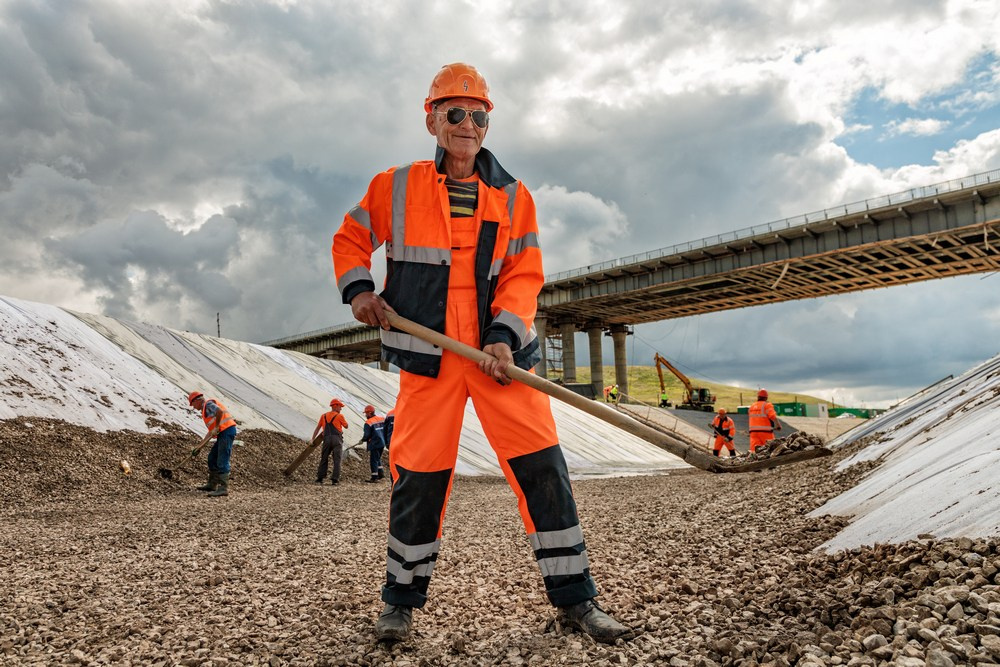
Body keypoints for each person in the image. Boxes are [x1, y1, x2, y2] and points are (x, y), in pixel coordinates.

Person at [332, 62, 631, 645]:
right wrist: (359, 289)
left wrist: (503, 336)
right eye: (454, 113)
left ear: (488, 123)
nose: (467, 124)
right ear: (432, 119)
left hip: (501, 359)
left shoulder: (514, 196)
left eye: (478, 115)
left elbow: (525, 274)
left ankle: (577, 601)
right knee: (417, 477)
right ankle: (399, 603)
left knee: (544, 470)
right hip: (430, 356)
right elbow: (350, 238)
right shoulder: (392, 186)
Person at [187, 391, 238, 497]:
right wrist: (199, 447)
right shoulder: (206, 410)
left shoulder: (208, 405)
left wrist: (217, 426)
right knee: (212, 457)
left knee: (222, 459)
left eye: (193, 404)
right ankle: (212, 484)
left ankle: (223, 488)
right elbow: (211, 432)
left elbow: (219, 412)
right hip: (223, 432)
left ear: (197, 400)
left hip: (227, 431)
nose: (193, 407)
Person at [312, 398, 349, 485]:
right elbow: (346, 426)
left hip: (327, 440)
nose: (341, 409)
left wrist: (312, 439)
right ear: (335, 406)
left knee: (324, 458)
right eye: (340, 407)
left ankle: (320, 478)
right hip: (337, 440)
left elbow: (317, 428)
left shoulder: (323, 416)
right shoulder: (340, 416)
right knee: (337, 459)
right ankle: (335, 480)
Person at [748, 389, 782, 454]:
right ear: (766, 397)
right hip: (766, 432)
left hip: (753, 432)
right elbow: (772, 416)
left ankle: (754, 462)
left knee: (754, 451)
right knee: (771, 449)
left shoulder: (752, 406)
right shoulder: (767, 405)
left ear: (758, 397)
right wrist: (778, 425)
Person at [360, 404, 387, 483]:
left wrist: (363, 439)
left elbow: (367, 435)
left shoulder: (368, 422)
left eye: (366, 413)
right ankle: (381, 473)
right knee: (378, 458)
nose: (365, 415)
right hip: (382, 442)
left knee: (374, 460)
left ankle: (374, 477)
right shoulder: (382, 419)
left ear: (370, 413)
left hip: (375, 443)